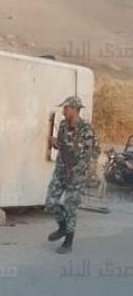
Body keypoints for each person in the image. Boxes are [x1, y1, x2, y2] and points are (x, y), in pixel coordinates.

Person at [45, 95, 100, 254]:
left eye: (66, 108)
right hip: (61, 170)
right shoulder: (62, 125)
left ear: (75, 110)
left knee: (70, 207)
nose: (63, 111)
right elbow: (63, 146)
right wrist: (55, 143)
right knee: (51, 202)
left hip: (76, 175)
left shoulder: (86, 129)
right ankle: (62, 227)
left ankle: (68, 242)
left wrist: (79, 169)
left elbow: (93, 152)